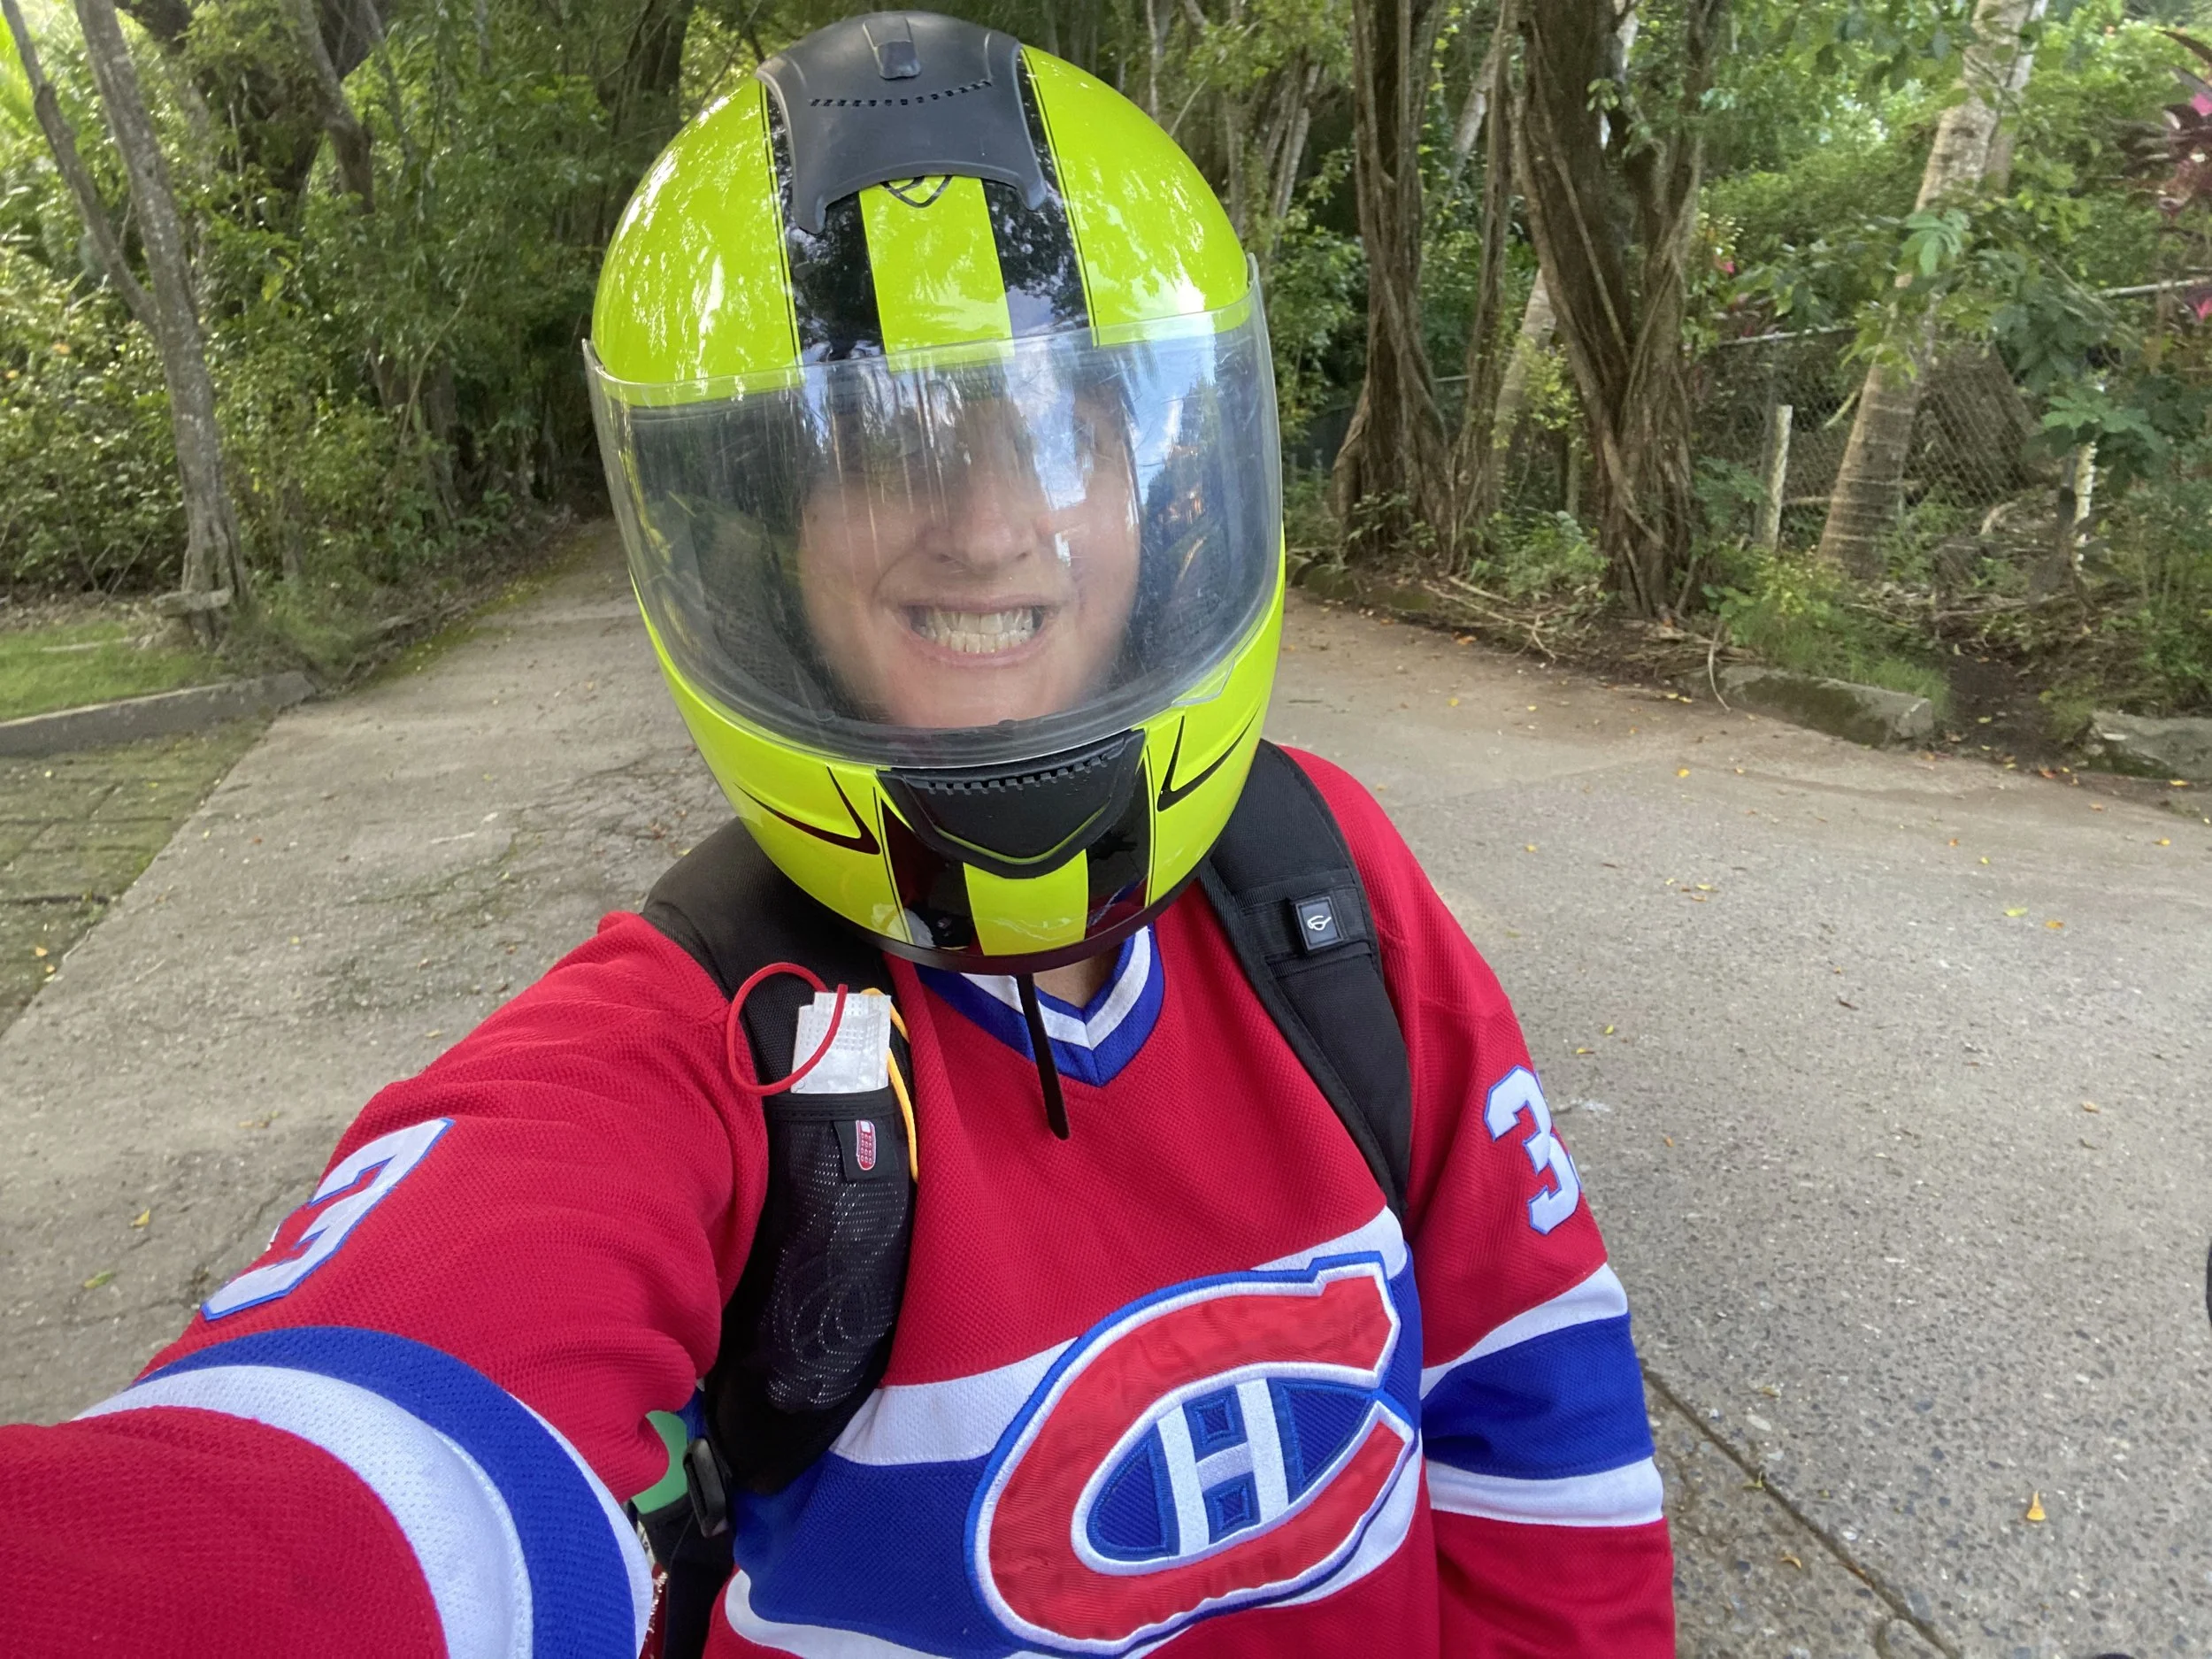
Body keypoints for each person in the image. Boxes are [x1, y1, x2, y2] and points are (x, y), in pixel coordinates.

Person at [0, 13, 1677, 1656]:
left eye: (1056, 430)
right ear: (775, 549)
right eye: (886, 444)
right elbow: (336, 1490)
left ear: (1155, 485)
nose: (987, 520)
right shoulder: (698, 1046)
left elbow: (1539, 1410)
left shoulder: (1325, 891)